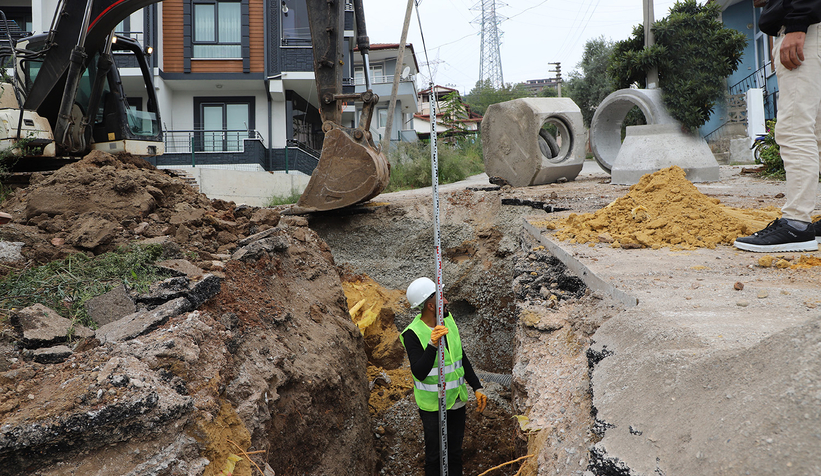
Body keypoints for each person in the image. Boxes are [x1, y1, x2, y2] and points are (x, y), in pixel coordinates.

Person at [734, 0, 821, 252]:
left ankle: (796, 224)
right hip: (812, 26)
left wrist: (797, 23)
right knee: (816, 132)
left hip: (808, 30)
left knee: (795, 129)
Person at [400, 277, 488, 476]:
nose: (447, 301)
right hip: (432, 406)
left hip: (456, 399)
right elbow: (419, 372)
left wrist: (477, 387)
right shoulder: (412, 334)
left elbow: (460, 356)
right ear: (431, 306)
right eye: (442, 298)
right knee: (434, 456)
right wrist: (432, 345)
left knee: (455, 453)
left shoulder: (448, 320)